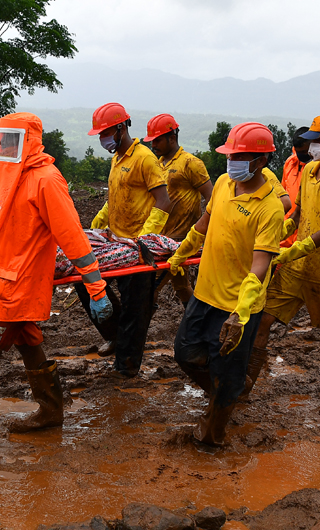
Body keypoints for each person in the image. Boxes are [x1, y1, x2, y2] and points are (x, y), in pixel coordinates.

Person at [0, 113, 112, 460]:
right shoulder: (1, 173)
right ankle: (51, 410)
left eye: (13, 138)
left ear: (29, 139)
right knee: (29, 342)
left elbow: (71, 235)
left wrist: (96, 287)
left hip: (21, 284)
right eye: (3, 138)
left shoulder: (46, 179)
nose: (6, 145)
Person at [166, 123, 284, 447]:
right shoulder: (222, 183)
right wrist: (182, 251)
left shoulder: (270, 208)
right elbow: (204, 224)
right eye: (230, 155)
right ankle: (232, 385)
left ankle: (213, 437)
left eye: (239, 156)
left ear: (260, 161)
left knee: (225, 371)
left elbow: (261, 265)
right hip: (205, 293)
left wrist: (241, 312)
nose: (231, 162)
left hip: (237, 305)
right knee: (185, 352)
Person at [251, 114, 320, 415]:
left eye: (316, 140)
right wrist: (278, 236)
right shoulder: (311, 170)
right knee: (263, 318)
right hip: (295, 267)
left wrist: (294, 250)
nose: (311, 145)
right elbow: (298, 216)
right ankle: (242, 389)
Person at [76, 103, 171, 376]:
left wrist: (145, 240)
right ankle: (118, 337)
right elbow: (115, 197)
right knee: (89, 285)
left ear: (120, 128)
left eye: (105, 133)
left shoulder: (144, 158)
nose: (103, 139)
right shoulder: (117, 158)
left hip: (137, 248)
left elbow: (163, 202)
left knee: (135, 310)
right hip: (115, 243)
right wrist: (98, 222)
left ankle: (127, 368)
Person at [145, 114, 213, 305]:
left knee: (150, 288)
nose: (153, 145)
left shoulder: (191, 163)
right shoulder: (157, 165)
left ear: (172, 138)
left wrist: (205, 233)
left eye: (157, 140)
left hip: (181, 240)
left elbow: (212, 198)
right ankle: (195, 325)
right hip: (161, 239)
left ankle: (135, 333)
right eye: (152, 141)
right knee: (181, 285)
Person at [279, 126, 312, 247]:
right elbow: (283, 191)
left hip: (306, 231)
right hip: (288, 226)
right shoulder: (290, 163)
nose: (302, 155)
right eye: (299, 152)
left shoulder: (319, 167)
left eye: (304, 151)